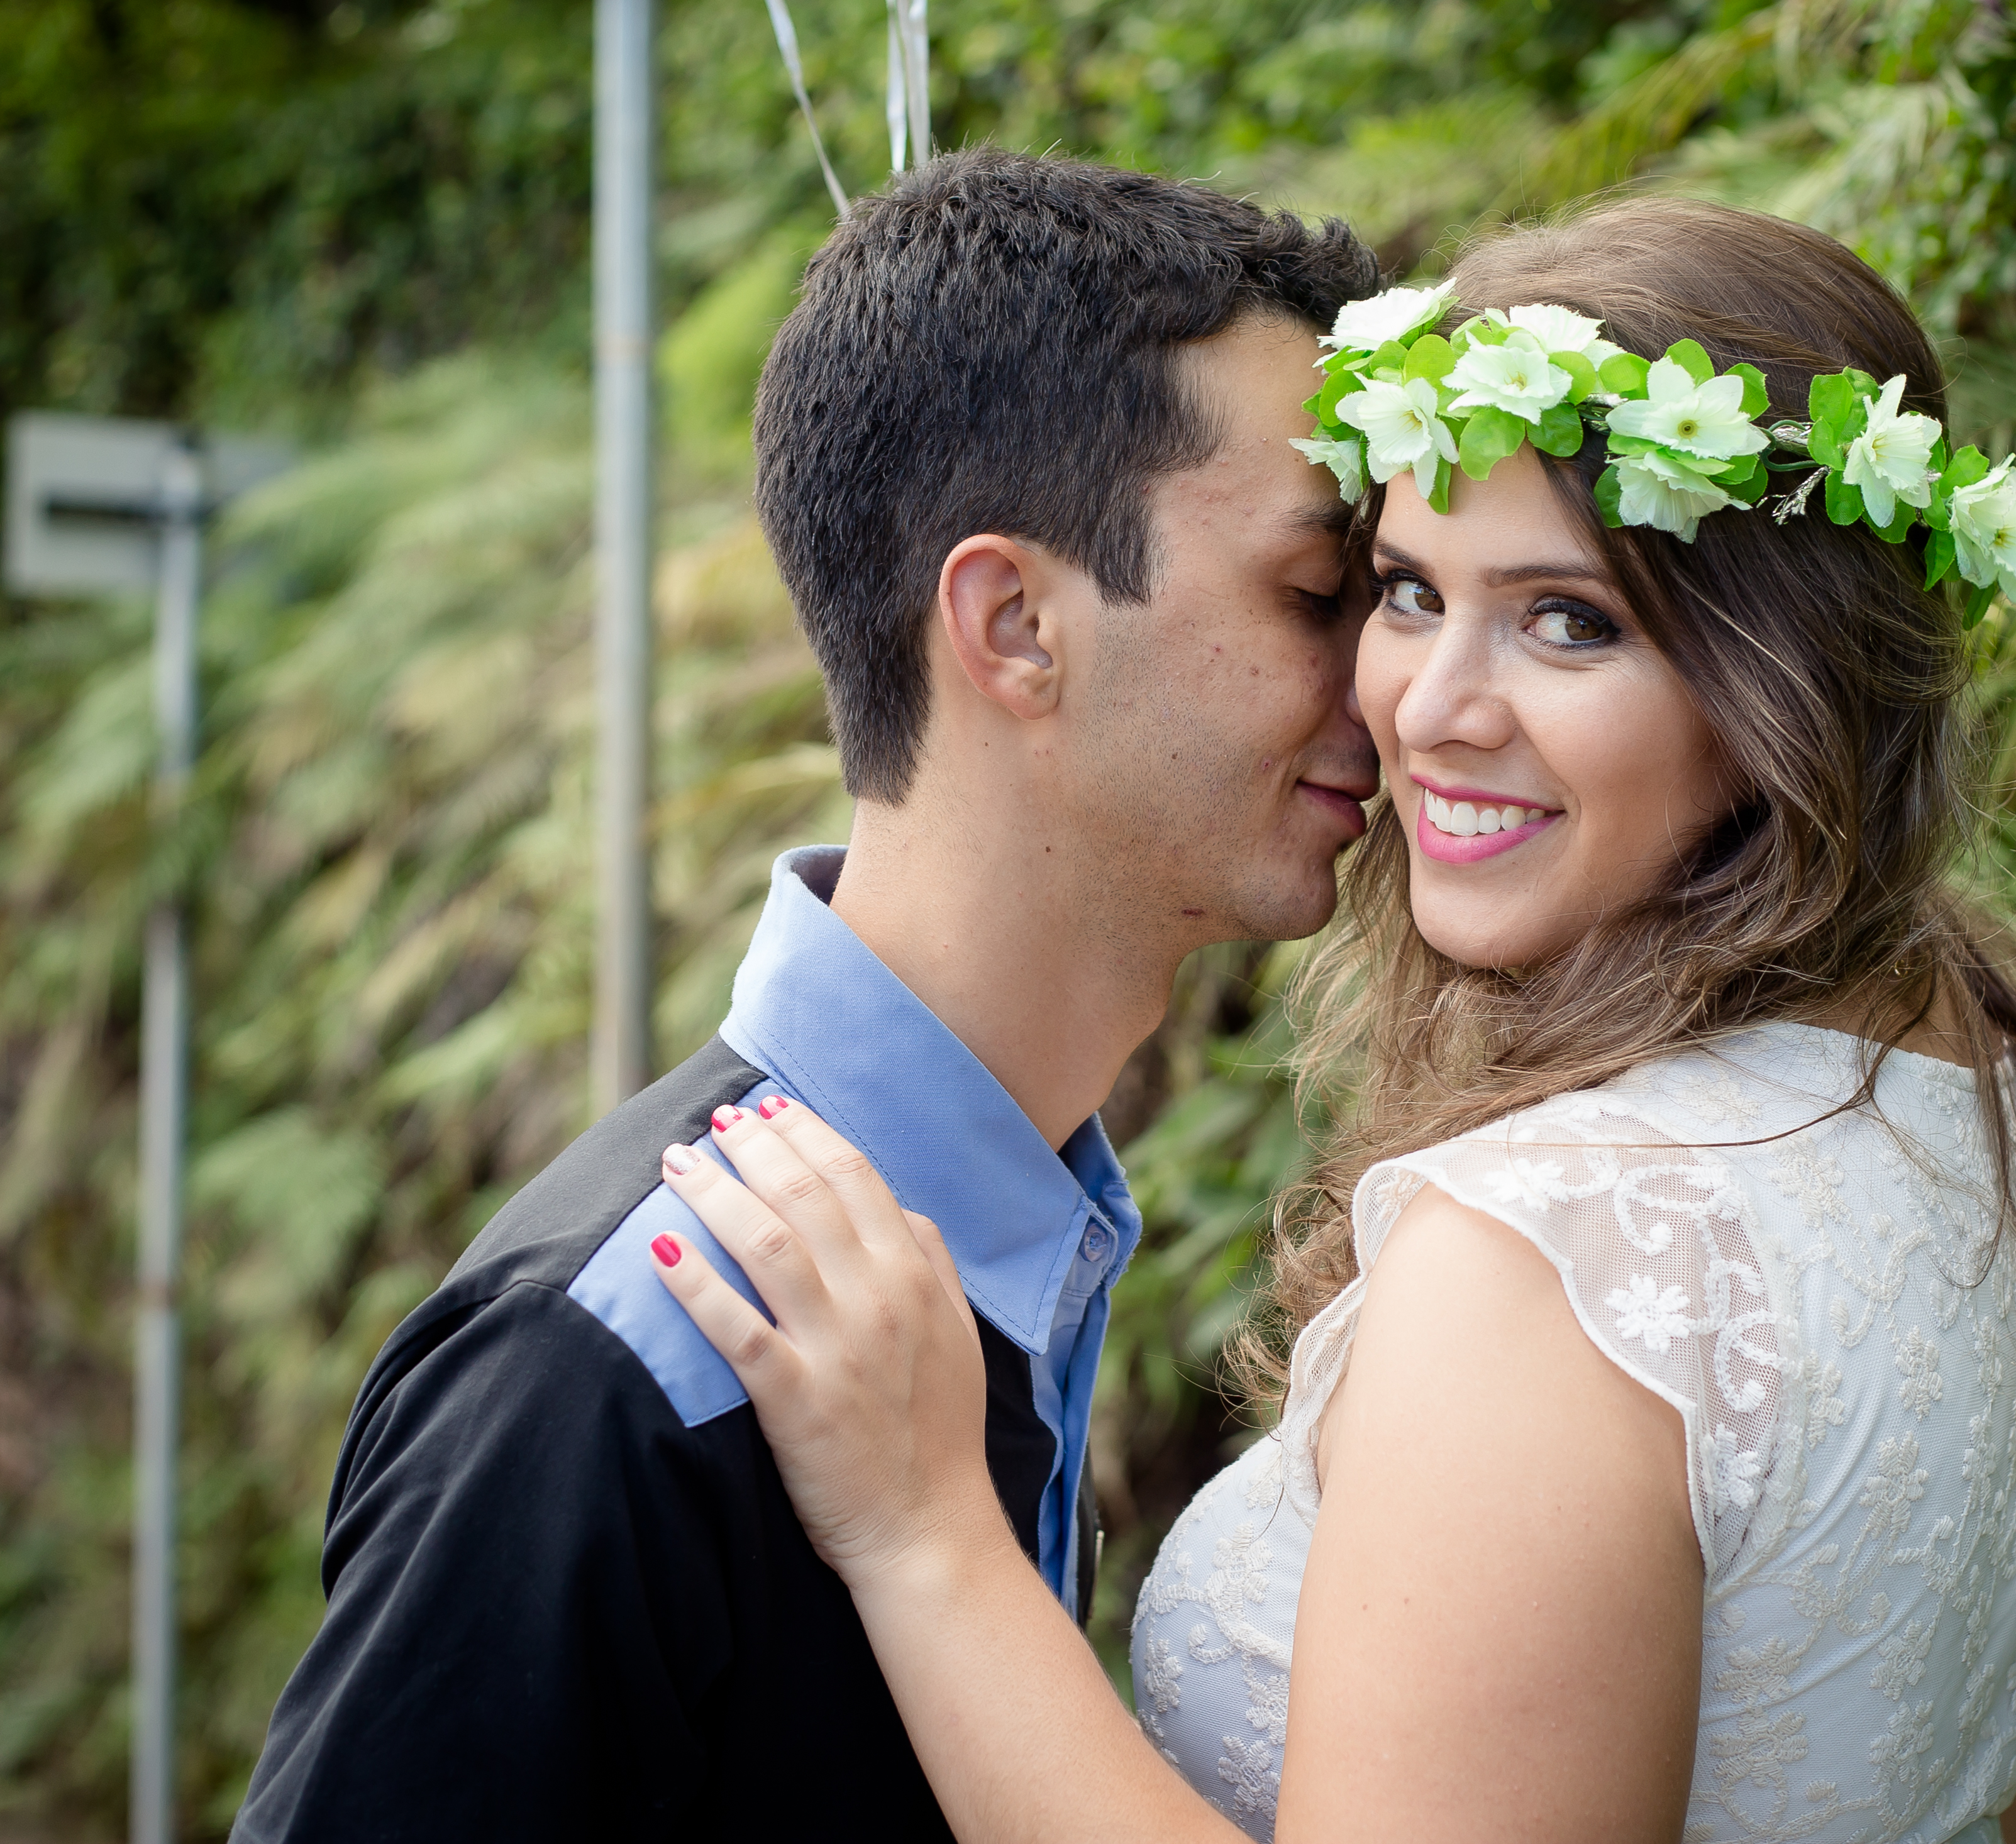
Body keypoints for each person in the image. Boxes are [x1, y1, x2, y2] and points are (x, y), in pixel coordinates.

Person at [639, 197, 2016, 1844]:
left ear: (1782, 685)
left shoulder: (1572, 1267)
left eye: (1570, 620)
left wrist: (926, 1532)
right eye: (1405, 592)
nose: (1427, 710)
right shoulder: (2002, 1133)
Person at [228, 150, 1382, 1841]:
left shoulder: (1014, 1230)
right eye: (1315, 594)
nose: (1397, 676)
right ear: (1012, 626)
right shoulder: (626, 1349)